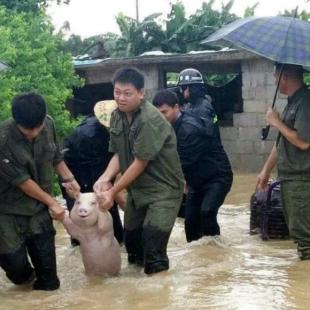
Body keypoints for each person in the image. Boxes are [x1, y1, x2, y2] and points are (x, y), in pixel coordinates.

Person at [93, 67, 184, 275]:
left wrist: (112, 192)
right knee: (132, 246)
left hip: (164, 191)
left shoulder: (149, 120)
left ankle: (159, 297)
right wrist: (105, 178)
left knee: (153, 248)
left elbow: (139, 162)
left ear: (141, 93)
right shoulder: (117, 115)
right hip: (138, 190)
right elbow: (118, 153)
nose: (121, 98)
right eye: (117, 92)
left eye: (127, 93)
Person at [0, 92, 80, 290]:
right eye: (28, 130)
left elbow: (55, 157)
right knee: (18, 270)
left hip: (39, 207)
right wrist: (53, 203)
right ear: (16, 121)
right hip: (7, 209)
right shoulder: (2, 139)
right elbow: (23, 182)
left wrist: (69, 179)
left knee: (49, 282)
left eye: (38, 127)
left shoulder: (48, 124)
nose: (35, 133)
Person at [153, 89, 233, 242]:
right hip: (196, 181)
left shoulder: (189, 129)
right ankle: (198, 259)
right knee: (190, 223)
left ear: (177, 107)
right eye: (158, 114)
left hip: (217, 177)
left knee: (207, 212)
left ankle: (217, 252)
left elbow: (179, 163)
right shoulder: (166, 126)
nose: (161, 117)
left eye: (165, 112)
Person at [257, 63, 310, 260]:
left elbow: (303, 142)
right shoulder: (293, 102)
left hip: (302, 181)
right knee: (299, 234)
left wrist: (276, 122)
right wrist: (265, 171)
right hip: (292, 180)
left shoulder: (305, 102)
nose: (274, 81)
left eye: (275, 77)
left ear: (284, 77)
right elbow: (282, 144)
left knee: (305, 238)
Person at [62, 107, 124, 246]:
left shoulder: (114, 133)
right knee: (82, 218)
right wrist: (115, 194)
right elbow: (99, 180)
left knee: (111, 224)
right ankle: (79, 253)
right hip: (76, 176)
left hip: (98, 172)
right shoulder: (89, 136)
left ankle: (118, 244)